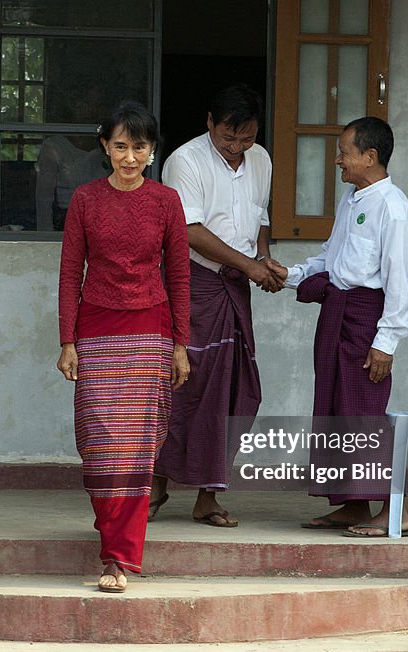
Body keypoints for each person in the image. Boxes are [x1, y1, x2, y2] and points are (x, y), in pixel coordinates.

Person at [57, 102, 190, 593]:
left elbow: (178, 274)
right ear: (104, 147)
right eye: (120, 146)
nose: (129, 156)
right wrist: (67, 340)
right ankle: (112, 530)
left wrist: (181, 343)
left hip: (150, 328)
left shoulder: (166, 201)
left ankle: (119, 557)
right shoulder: (85, 200)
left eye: (139, 147)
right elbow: (71, 272)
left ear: (153, 151)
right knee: (100, 442)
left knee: (135, 448)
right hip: (95, 328)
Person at [270, 116, 408, 538]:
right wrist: (290, 275)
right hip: (337, 314)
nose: (338, 161)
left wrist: (385, 342)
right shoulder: (353, 200)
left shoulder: (393, 208)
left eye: (344, 153)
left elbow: (398, 282)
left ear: (370, 157)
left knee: (364, 411)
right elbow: (330, 259)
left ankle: (395, 509)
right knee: (336, 410)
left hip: (366, 319)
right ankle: (354, 503)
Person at [149, 84, 283, 528]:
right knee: (183, 382)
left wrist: (262, 260)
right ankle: (157, 485)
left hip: (236, 286)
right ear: (210, 122)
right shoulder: (184, 161)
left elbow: (260, 217)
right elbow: (188, 230)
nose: (237, 147)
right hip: (194, 282)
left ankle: (209, 494)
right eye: (228, 137)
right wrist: (250, 265)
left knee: (235, 390)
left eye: (246, 138)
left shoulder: (261, 159)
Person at [34, 135, 107, 231]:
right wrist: (44, 231)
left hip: (103, 214)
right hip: (65, 215)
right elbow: (44, 196)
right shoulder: (54, 146)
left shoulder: (108, 149)